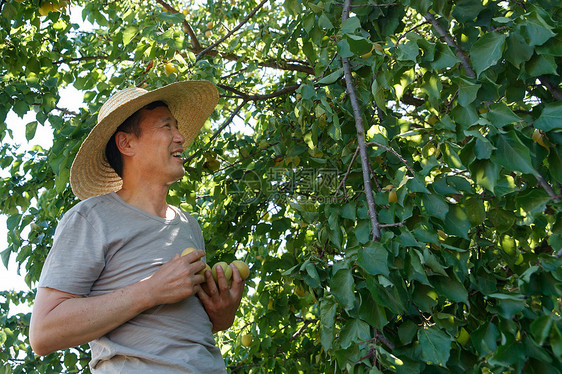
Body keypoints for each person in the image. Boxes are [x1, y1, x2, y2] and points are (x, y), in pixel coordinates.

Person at [29, 81, 245, 373]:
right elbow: (43, 333)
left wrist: (222, 316)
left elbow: (174, 331)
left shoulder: (188, 225)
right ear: (126, 143)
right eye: (167, 127)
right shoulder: (91, 218)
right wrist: (150, 290)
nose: (181, 137)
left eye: (177, 127)